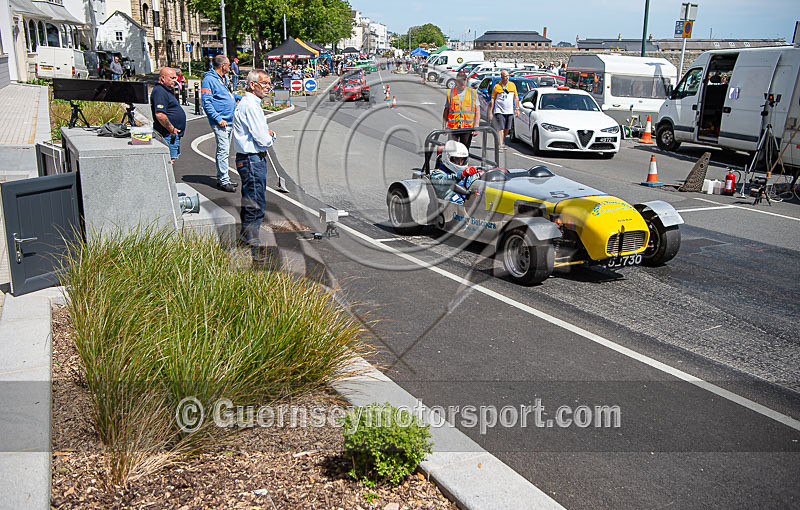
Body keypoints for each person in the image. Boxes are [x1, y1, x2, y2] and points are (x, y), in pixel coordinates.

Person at [232, 69, 276, 248]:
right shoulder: (251, 106)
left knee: (252, 199)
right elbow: (263, 139)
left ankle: (247, 236)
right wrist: (271, 135)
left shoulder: (249, 104)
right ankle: (251, 240)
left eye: (269, 83)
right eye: (264, 83)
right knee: (256, 201)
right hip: (252, 159)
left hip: (249, 158)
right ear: (252, 85)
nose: (268, 87)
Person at [202, 55, 240, 192]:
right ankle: (224, 180)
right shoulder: (209, 80)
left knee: (225, 151)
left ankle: (223, 178)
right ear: (223, 65)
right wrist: (218, 119)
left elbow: (228, 95)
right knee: (223, 151)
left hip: (229, 121)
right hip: (221, 122)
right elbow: (206, 102)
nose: (230, 67)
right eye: (228, 65)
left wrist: (239, 98)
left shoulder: (222, 79)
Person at [150, 67, 186, 164]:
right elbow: (160, 114)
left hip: (172, 134)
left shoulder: (166, 90)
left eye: (175, 78)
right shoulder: (160, 91)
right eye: (172, 78)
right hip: (168, 134)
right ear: (162, 78)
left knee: (171, 160)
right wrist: (172, 129)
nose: (175, 81)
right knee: (168, 162)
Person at [442, 70, 479, 148]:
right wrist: (444, 126)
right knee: (452, 150)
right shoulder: (451, 93)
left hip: (467, 127)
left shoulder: (472, 93)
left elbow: (477, 111)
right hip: (453, 127)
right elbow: (446, 110)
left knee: (464, 150)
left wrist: (476, 127)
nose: (462, 82)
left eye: (464, 80)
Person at [488, 70, 520, 148]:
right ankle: (500, 144)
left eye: (508, 76)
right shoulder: (497, 87)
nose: (507, 78)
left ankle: (501, 140)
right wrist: (490, 111)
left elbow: (516, 97)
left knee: (507, 129)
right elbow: (492, 99)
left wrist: (517, 108)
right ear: (501, 77)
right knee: (500, 128)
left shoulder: (512, 85)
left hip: (509, 111)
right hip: (499, 110)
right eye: (505, 76)